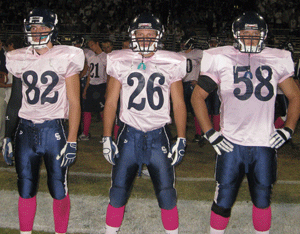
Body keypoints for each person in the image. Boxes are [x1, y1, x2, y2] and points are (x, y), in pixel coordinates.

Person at [191, 11, 300, 234]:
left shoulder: (276, 58)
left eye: (255, 32)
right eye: (245, 32)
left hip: (264, 143)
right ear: (235, 34)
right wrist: (210, 132)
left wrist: (288, 128)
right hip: (231, 143)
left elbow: (295, 96)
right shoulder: (221, 58)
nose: (250, 37)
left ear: (264, 35)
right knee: (224, 198)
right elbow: (197, 96)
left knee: (262, 199)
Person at [102, 12, 187, 234]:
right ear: (133, 35)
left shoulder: (171, 61)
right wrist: (106, 137)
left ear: (159, 36)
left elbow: (178, 104)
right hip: (129, 134)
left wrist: (181, 137)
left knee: (167, 193)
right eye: (141, 34)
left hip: (159, 134)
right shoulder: (120, 59)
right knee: (118, 191)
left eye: (151, 34)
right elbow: (110, 102)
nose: (146, 38)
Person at [2, 8, 84, 234]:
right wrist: (7, 135)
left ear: (52, 30)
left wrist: (73, 139)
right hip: (25, 131)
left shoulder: (66, 56)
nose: (36, 31)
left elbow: (75, 103)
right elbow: (16, 100)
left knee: (58, 187)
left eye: (42, 27)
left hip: (53, 130)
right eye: (32, 27)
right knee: (25, 186)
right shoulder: (19, 57)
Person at [79, 37, 107, 140]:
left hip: (101, 86)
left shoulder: (105, 57)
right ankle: (85, 133)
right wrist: (86, 89)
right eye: (90, 46)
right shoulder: (90, 55)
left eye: (92, 44)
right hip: (91, 86)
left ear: (97, 43)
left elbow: (108, 75)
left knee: (103, 111)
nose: (91, 47)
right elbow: (89, 74)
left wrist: (107, 90)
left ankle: (105, 135)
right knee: (86, 110)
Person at [178, 36, 203, 143]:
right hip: (181, 84)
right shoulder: (179, 54)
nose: (182, 45)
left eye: (184, 42)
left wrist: (200, 79)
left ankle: (199, 133)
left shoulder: (198, 53)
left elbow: (209, 64)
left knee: (195, 110)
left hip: (193, 84)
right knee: (181, 109)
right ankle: (181, 134)